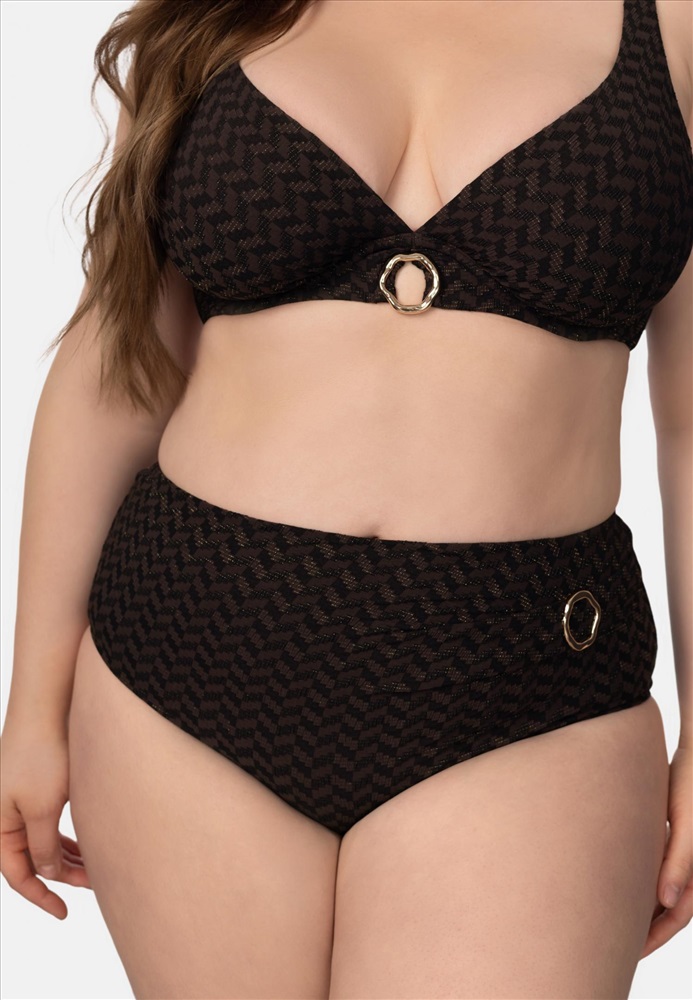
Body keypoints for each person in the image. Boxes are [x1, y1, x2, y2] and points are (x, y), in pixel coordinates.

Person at [2, 0, 692, 997]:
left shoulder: (668, 29)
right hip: (189, 658)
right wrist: (31, 703)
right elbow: (118, 364)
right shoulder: (214, 15)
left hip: (527, 680)